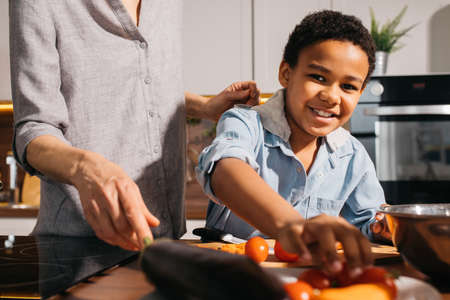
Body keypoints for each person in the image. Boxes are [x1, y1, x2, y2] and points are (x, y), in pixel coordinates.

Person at [9, 0, 259, 251]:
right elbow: (32, 128)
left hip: (165, 237)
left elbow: (141, 84)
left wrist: (204, 108)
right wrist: (85, 168)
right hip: (81, 245)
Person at [196, 10, 390, 277]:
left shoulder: (353, 155)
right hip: (233, 277)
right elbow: (225, 169)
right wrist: (295, 226)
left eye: (348, 86)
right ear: (286, 73)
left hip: (307, 280)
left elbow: (368, 221)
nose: (331, 96)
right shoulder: (245, 123)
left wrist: (383, 227)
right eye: (318, 78)